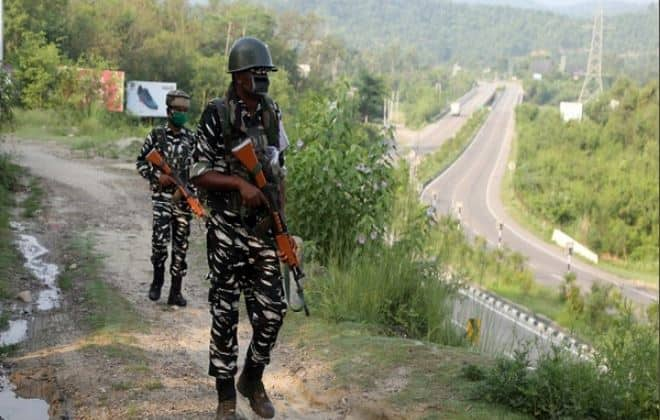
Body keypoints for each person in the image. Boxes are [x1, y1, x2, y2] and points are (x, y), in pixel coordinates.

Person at [190, 37, 292, 420]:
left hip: (263, 229)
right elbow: (197, 172)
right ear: (238, 76)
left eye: (265, 71)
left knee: (273, 310)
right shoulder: (216, 114)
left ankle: (251, 378)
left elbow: (280, 168)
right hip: (227, 230)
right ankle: (225, 397)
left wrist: (282, 224)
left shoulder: (272, 111)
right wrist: (239, 185)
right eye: (256, 71)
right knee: (225, 313)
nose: (262, 77)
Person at [136, 89, 195, 307]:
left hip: (183, 203)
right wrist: (157, 177)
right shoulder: (156, 135)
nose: (181, 114)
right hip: (161, 199)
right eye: (178, 110)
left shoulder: (192, 138)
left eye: (185, 111)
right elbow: (141, 162)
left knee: (181, 247)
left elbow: (197, 170)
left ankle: (176, 292)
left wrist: (188, 192)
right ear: (168, 111)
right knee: (160, 244)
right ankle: (157, 282)